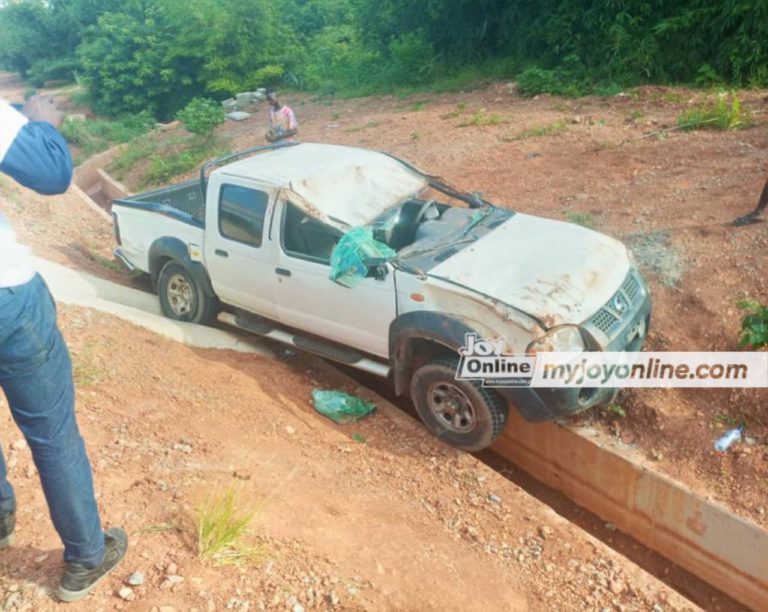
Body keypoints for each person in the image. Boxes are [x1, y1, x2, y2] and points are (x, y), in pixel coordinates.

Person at [0, 96, 127, 602]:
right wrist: (42, 124)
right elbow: (51, 173)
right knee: (52, 434)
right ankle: (86, 557)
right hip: (7, 299)